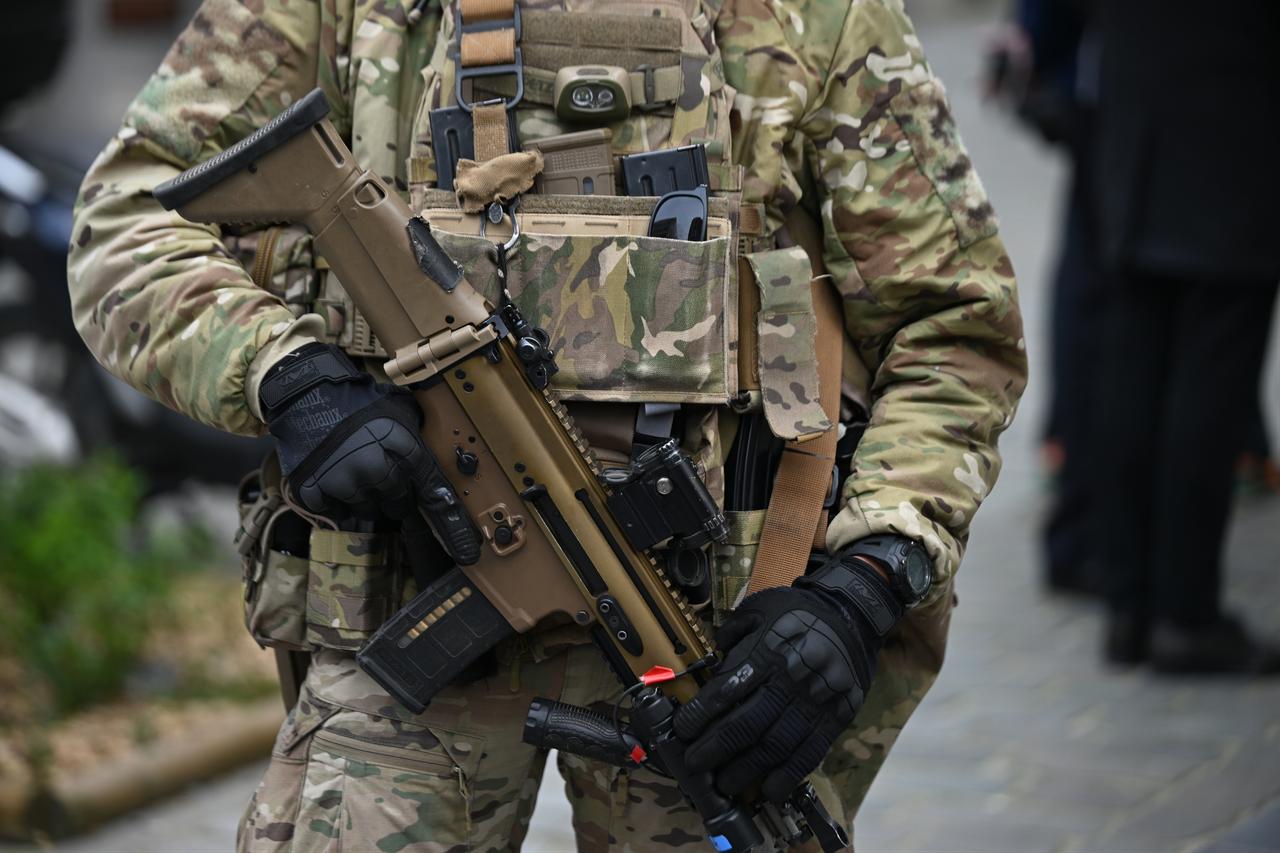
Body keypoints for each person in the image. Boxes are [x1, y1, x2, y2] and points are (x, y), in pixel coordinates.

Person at [68, 0, 1026, 848]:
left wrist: (867, 578)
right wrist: (288, 376)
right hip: (409, 609)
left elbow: (954, 328)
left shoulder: (814, 16)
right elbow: (125, 219)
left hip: (716, 662)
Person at [1093, 0, 1280, 672]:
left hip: (1138, 135)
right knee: (1207, 395)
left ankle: (1130, 607)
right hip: (1231, 142)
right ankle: (1184, 614)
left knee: (1134, 376)